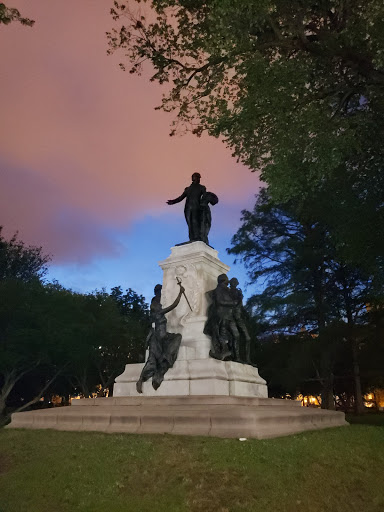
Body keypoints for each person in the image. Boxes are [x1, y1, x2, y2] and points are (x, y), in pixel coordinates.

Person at [136, 283, 184, 393]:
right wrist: (180, 293)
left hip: (162, 336)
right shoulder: (158, 312)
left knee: (152, 360)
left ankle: (145, 378)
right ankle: (142, 379)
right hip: (160, 337)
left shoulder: (156, 311)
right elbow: (173, 305)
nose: (160, 305)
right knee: (152, 361)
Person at [167, 173, 218, 243]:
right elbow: (181, 198)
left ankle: (197, 237)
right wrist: (173, 201)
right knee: (189, 223)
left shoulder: (202, 187)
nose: (197, 179)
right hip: (187, 208)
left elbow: (205, 197)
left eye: (197, 177)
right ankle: (192, 238)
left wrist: (206, 203)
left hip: (196, 207)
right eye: (196, 177)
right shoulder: (187, 189)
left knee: (195, 222)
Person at [204, 274, 240, 361]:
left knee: (236, 335)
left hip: (229, 316)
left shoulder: (227, 290)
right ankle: (223, 352)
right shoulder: (219, 290)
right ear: (223, 280)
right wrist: (233, 303)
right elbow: (220, 301)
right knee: (223, 335)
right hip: (222, 315)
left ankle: (233, 354)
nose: (228, 282)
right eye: (227, 280)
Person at [229, 277, 252, 364]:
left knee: (248, 338)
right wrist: (239, 298)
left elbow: (240, 306)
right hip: (231, 317)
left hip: (239, 318)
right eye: (233, 282)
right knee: (236, 336)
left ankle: (248, 359)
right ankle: (237, 357)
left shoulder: (238, 292)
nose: (234, 283)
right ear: (230, 283)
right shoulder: (228, 292)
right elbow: (231, 304)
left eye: (235, 282)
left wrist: (246, 314)